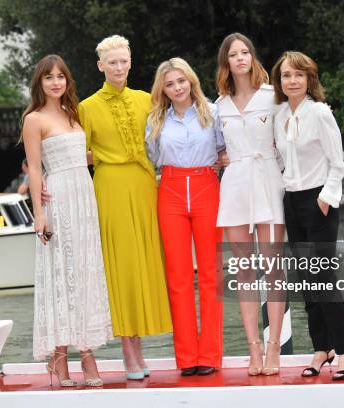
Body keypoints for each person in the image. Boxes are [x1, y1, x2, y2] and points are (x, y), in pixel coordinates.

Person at [77, 35, 173, 380]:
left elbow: (164, 141)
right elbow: (78, 153)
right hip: (111, 189)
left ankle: (140, 349)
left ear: (130, 63)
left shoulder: (147, 100)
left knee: (145, 267)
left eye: (123, 61)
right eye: (112, 62)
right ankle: (129, 355)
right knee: (120, 270)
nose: (119, 67)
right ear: (100, 65)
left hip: (146, 187)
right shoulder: (86, 107)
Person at [21, 54, 113, 387]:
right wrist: (39, 213)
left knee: (84, 274)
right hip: (57, 198)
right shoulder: (34, 119)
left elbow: (85, 155)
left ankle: (83, 353)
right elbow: (33, 167)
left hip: (84, 198)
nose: (56, 82)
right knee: (61, 275)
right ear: (40, 82)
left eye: (61, 76)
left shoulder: (74, 113)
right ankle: (61, 359)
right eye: (49, 77)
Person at [270, 51, 344, 380]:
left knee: (323, 277)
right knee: (307, 279)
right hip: (290, 201)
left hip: (319, 199)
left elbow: (337, 163)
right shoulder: (278, 113)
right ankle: (323, 348)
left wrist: (326, 198)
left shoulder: (321, 113)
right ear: (278, 81)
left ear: (309, 79)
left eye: (298, 75)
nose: (292, 80)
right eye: (285, 76)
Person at [146, 57, 225, 376]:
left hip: (207, 185)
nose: (177, 88)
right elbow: (153, 157)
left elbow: (224, 149)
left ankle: (209, 355)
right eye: (169, 84)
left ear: (191, 81)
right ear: (162, 89)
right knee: (178, 277)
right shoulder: (156, 119)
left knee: (209, 274)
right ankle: (186, 358)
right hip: (171, 188)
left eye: (181, 81)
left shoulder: (212, 111)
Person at [215, 33, 287, 376]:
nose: (241, 58)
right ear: (226, 62)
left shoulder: (273, 96)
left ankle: (274, 347)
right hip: (235, 188)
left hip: (269, 181)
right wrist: (218, 160)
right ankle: (253, 350)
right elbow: (212, 149)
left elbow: (290, 138)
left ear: (252, 57)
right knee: (244, 271)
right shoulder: (219, 106)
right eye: (234, 54)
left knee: (273, 268)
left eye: (245, 52)